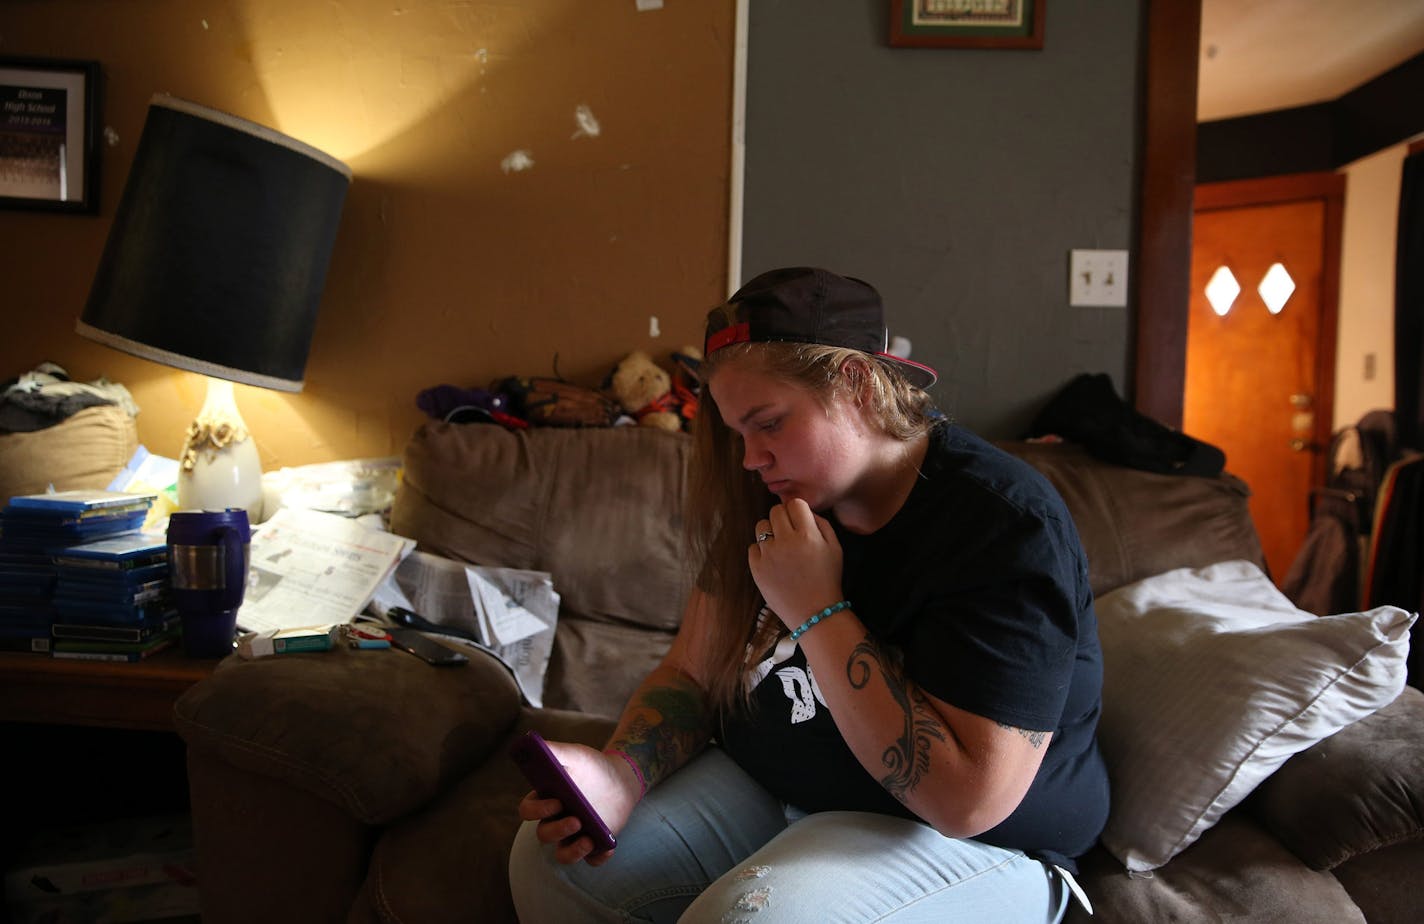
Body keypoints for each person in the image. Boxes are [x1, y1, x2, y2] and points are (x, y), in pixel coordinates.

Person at [509, 266, 1109, 923]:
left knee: (754, 918)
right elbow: (690, 670)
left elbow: (968, 801)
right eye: (738, 432)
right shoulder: (775, 492)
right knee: (552, 864)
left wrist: (819, 610)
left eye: (768, 423)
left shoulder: (999, 522)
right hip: (774, 788)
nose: (750, 459)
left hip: (969, 839)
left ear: (856, 383)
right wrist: (622, 775)